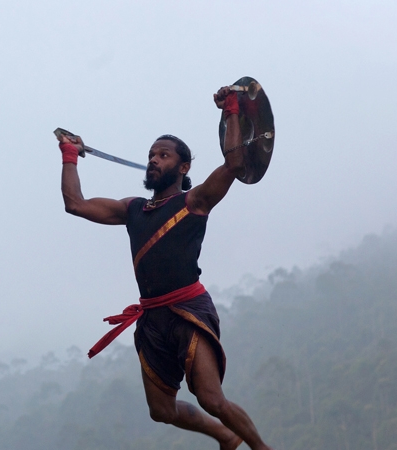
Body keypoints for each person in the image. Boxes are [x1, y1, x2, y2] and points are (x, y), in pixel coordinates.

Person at [57, 87, 272, 449]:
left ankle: (261, 448)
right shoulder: (133, 209)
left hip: (188, 309)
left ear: (183, 167)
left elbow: (235, 165)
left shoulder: (195, 201)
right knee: (161, 411)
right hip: (153, 318)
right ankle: (224, 435)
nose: (154, 160)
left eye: (164, 155)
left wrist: (232, 109)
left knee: (211, 398)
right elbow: (75, 204)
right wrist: (69, 156)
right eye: (151, 155)